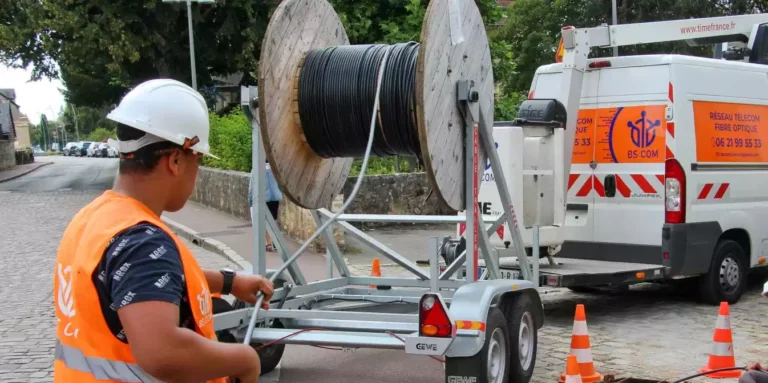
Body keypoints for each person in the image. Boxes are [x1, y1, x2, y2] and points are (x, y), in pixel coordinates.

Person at [53, 79, 273, 383]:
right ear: (175, 160)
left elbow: (145, 281)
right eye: (198, 160)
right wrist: (244, 360)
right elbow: (163, 351)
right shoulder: (141, 240)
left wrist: (229, 282)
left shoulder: (95, 219)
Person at [248, 159, 283, 251]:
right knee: (273, 220)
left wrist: (250, 200)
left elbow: (252, 186)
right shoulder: (274, 168)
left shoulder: (256, 169)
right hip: (275, 197)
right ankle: (275, 242)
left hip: (263, 197)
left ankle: (267, 243)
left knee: (264, 221)